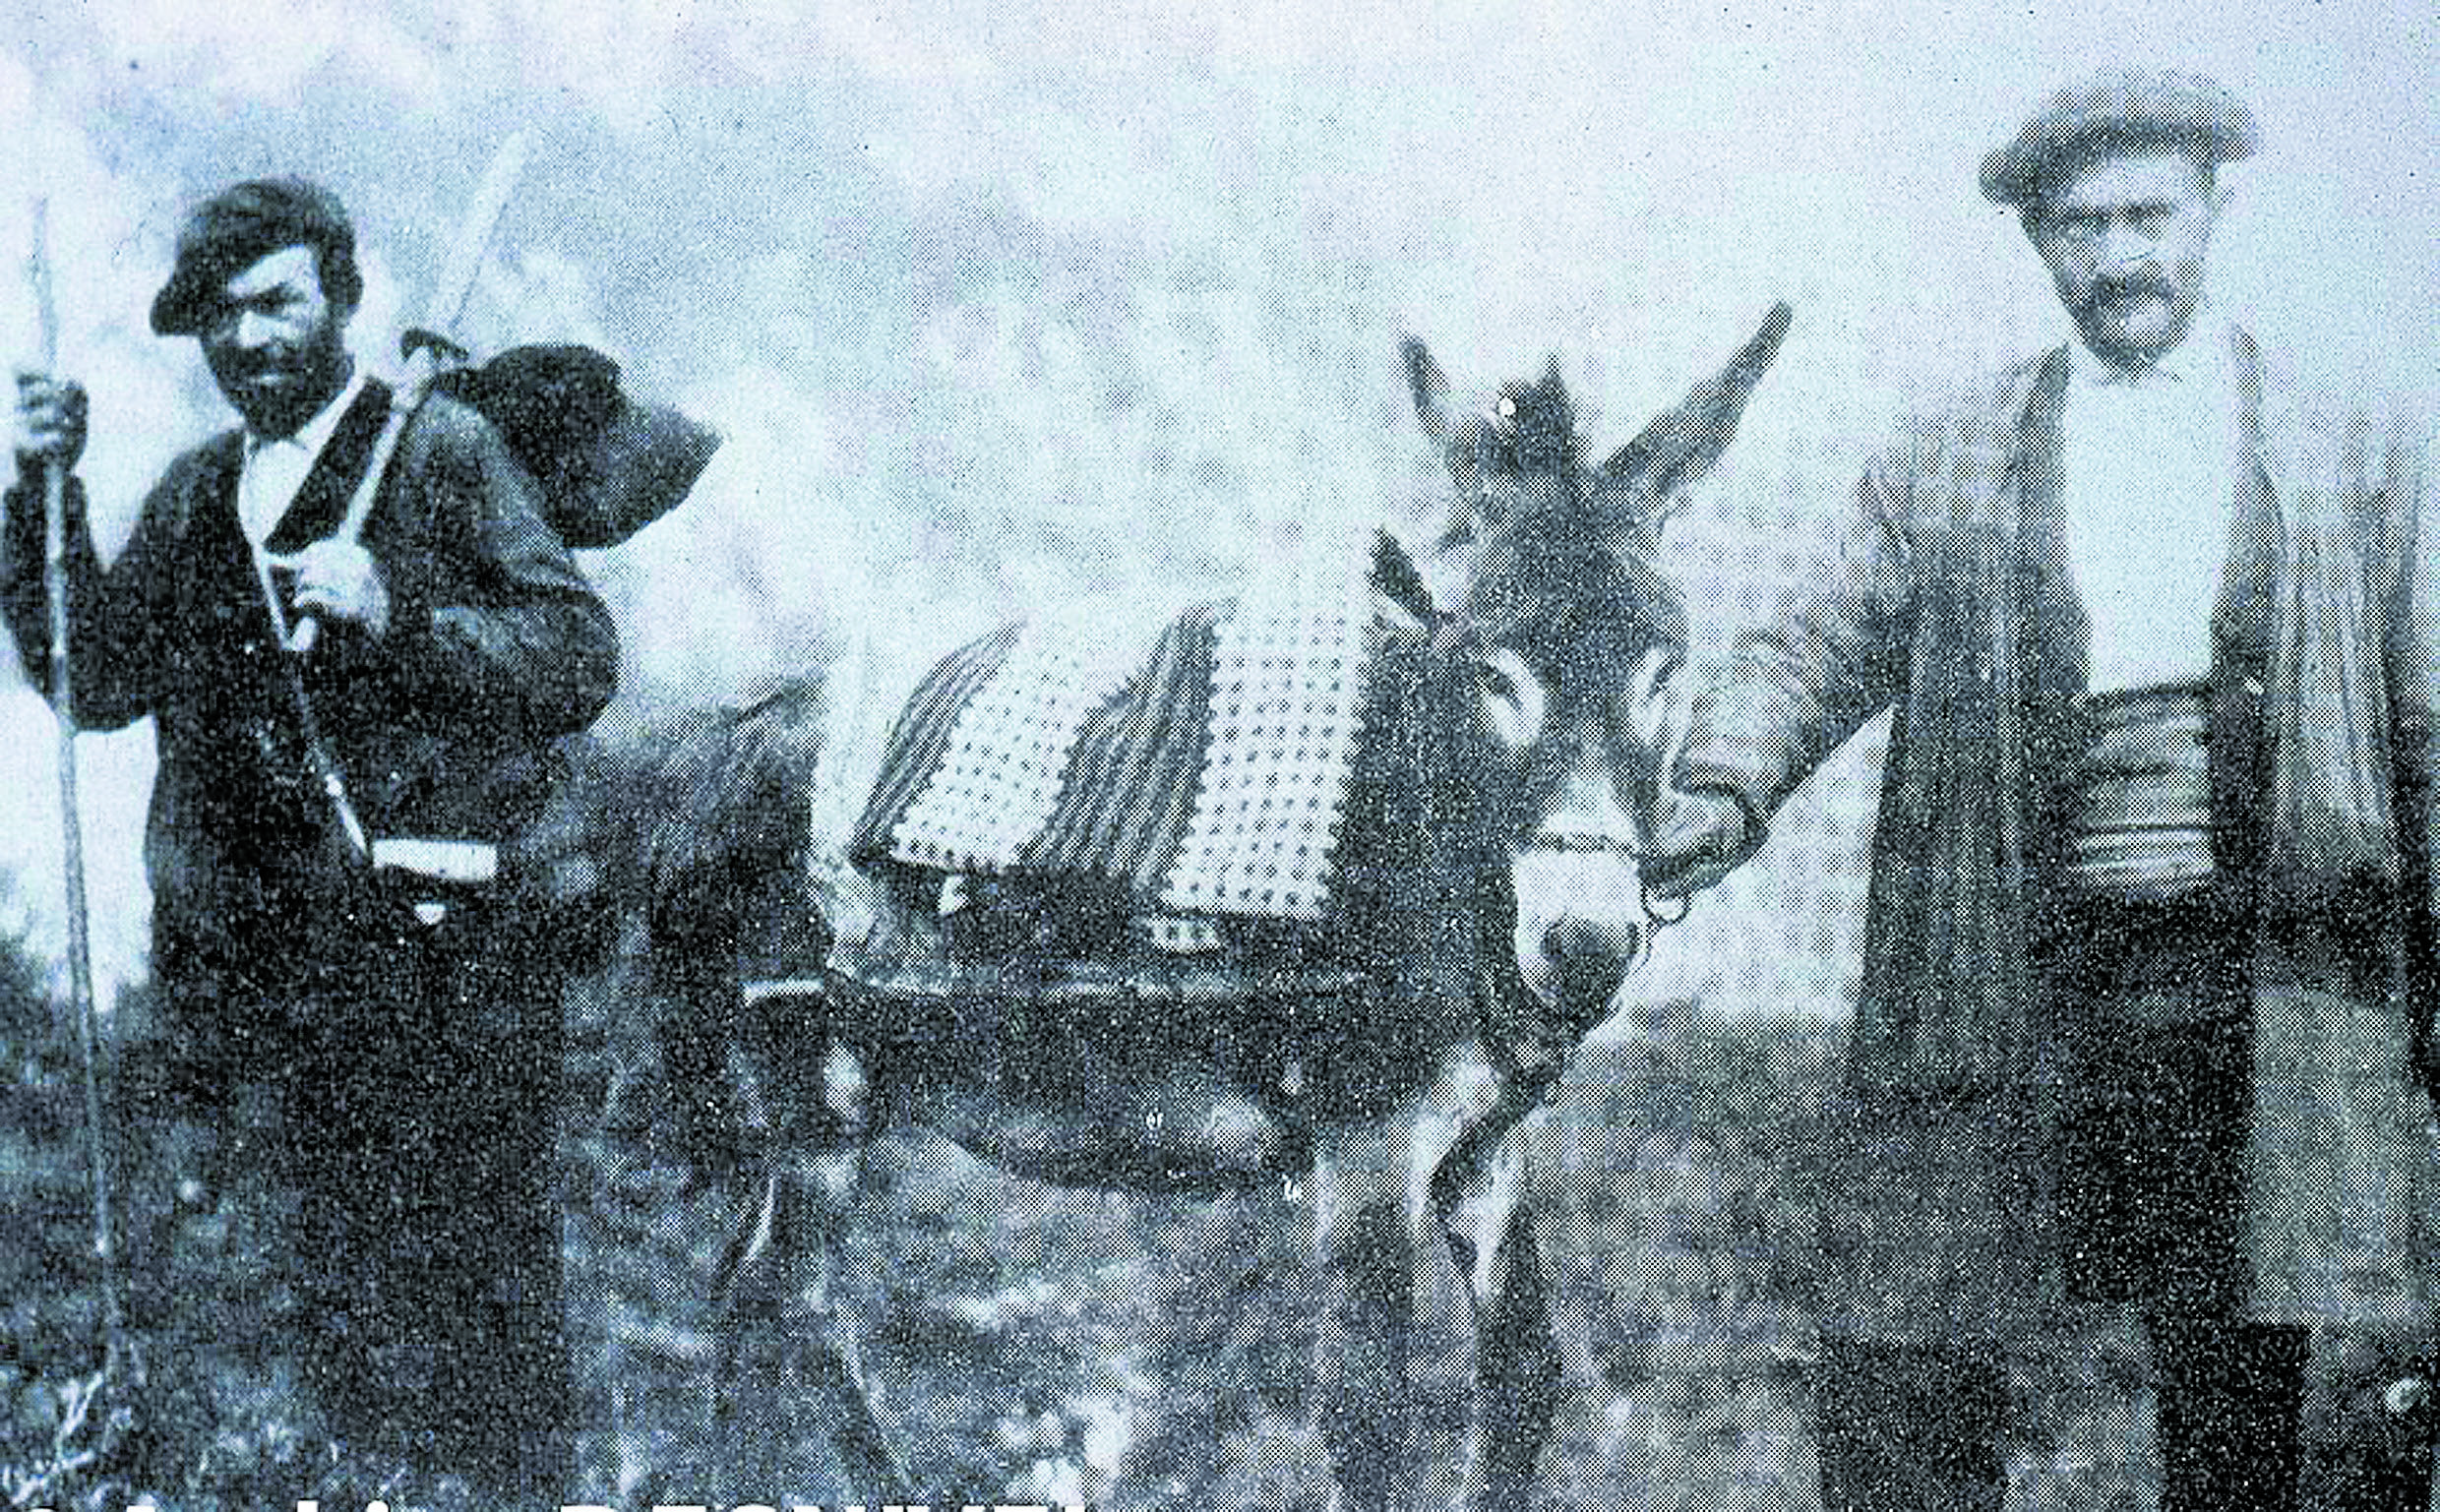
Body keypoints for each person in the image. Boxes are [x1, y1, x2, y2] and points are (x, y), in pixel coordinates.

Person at [1642, 74, 2439, 1511]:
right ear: (2037, 245)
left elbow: (2428, 721)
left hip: (2261, 985)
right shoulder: (1952, 455)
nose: (2121, 257)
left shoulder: (2353, 449)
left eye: (2151, 216)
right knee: (1915, 1346)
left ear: (2214, 216)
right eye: (2082, 227)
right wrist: (1721, 786)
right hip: (2011, 973)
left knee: (2250, 1384)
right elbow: (1818, 635)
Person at [5, 178, 617, 1504]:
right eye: (219, 316)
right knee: (313, 1320)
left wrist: (401, 616)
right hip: (250, 985)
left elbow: (578, 655)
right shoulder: (193, 495)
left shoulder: (441, 453)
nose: (249, 337)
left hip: (440, 967)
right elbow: (97, 679)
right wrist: (43, 494)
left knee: (481, 1322)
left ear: (341, 300)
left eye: (278, 300)